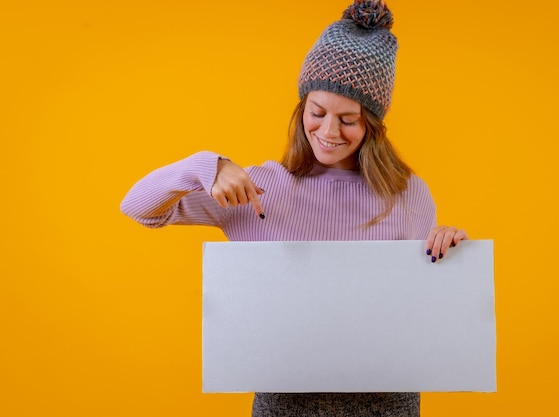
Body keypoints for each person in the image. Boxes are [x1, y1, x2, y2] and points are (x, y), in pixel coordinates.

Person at [121, 1, 468, 415]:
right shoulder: (260, 188)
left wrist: (449, 255)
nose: (328, 131)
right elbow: (139, 207)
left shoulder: (408, 192)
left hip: (387, 402)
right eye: (317, 112)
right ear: (302, 107)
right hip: (284, 402)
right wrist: (206, 166)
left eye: (348, 120)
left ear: (373, 125)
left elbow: (419, 309)